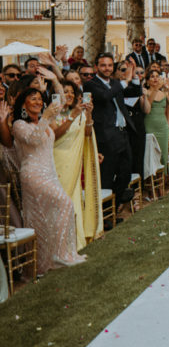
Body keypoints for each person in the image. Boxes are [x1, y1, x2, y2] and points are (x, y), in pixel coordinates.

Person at [11, 87, 86, 273]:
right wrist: (45, 117)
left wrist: (72, 113)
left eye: (39, 99)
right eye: (32, 99)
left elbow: (57, 126)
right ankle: (60, 255)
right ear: (23, 104)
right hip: (33, 174)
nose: (37, 102)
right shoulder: (19, 124)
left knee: (45, 218)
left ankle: (48, 261)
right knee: (65, 204)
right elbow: (33, 140)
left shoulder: (44, 121)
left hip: (49, 172)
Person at [82, 53, 140, 209]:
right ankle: (106, 214)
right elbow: (104, 96)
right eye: (103, 65)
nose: (107, 68)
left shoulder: (115, 83)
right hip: (106, 135)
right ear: (96, 67)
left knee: (126, 172)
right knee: (107, 175)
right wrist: (124, 81)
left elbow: (135, 92)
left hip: (122, 133)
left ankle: (115, 204)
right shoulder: (90, 84)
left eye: (109, 65)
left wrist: (133, 76)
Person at [52, 80, 102, 249]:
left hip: (74, 163)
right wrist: (72, 116)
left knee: (73, 201)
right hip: (57, 162)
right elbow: (54, 137)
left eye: (72, 92)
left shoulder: (79, 113)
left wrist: (88, 114)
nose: (69, 94)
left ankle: (75, 241)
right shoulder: (52, 114)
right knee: (61, 202)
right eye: (65, 91)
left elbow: (87, 133)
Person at [142, 69, 169, 172]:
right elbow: (148, 107)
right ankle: (153, 181)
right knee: (152, 154)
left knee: (164, 153)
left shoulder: (164, 93)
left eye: (157, 76)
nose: (155, 78)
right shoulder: (145, 93)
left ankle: (165, 178)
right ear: (147, 81)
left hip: (163, 126)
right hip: (150, 125)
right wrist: (155, 89)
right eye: (152, 76)